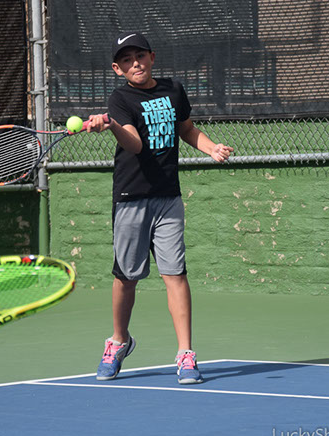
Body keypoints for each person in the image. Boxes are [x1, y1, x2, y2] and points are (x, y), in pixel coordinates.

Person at [87, 32, 233, 384]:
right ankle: (118, 341)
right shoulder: (120, 99)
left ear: (152, 57)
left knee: (175, 273)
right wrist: (111, 125)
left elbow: (187, 129)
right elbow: (135, 144)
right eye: (126, 60)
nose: (135, 63)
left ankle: (186, 353)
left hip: (168, 197)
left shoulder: (173, 90)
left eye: (139, 56)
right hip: (130, 198)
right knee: (126, 278)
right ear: (118, 69)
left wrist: (211, 147)